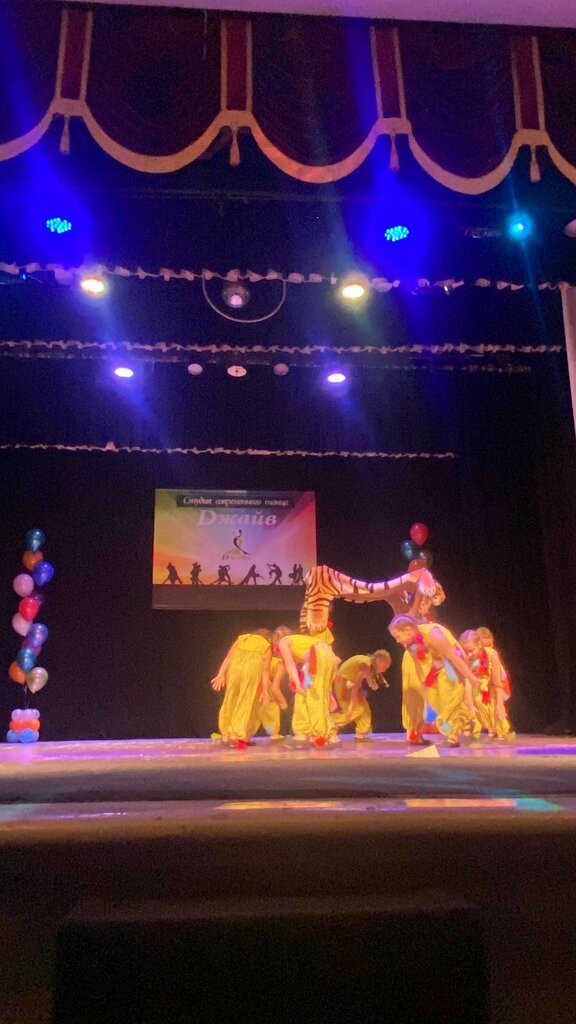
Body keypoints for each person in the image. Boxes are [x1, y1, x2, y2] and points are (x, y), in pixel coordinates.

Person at [388, 615, 479, 747]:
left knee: (449, 699)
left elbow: (453, 656)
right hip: (434, 667)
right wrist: (424, 687)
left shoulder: (433, 633)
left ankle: (453, 737)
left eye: (398, 636)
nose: (397, 641)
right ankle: (465, 720)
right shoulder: (411, 644)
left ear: (408, 630)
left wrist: (470, 677)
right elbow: (418, 665)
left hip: (451, 664)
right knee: (436, 704)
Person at [211, 628, 273, 749]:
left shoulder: (243, 638)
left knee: (230, 698)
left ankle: (226, 736)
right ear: (269, 639)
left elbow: (229, 657)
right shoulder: (266, 645)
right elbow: (265, 670)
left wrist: (221, 674)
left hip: (235, 668)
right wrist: (265, 690)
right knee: (245, 701)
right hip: (251, 669)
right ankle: (236, 736)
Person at [277, 627, 339, 747]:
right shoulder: (301, 644)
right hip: (327, 655)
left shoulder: (283, 641)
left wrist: (298, 684)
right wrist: (330, 696)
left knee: (313, 699)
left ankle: (324, 737)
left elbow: (290, 663)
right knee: (306, 696)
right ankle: (305, 734)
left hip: (317, 655)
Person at [460, 630, 514, 739]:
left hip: (494, 685)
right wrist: (470, 706)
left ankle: (500, 730)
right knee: (475, 703)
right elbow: (468, 682)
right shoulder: (466, 658)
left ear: (479, 644)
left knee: (496, 711)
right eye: (466, 652)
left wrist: (500, 705)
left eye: (471, 650)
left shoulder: (492, 655)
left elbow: (497, 683)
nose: (469, 654)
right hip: (478, 686)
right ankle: (488, 728)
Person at [332, 650, 391, 741]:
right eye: (384, 667)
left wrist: (372, 683)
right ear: (378, 661)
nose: (384, 670)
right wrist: (351, 706)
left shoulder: (368, 664)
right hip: (342, 684)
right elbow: (356, 686)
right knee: (356, 710)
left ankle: (360, 734)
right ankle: (329, 724)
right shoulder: (365, 665)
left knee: (365, 709)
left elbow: (368, 681)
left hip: (349, 685)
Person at [476, 626, 512, 702]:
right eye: (485, 647)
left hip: (496, 696)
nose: (489, 650)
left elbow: (499, 681)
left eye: (490, 646)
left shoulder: (494, 656)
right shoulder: (476, 658)